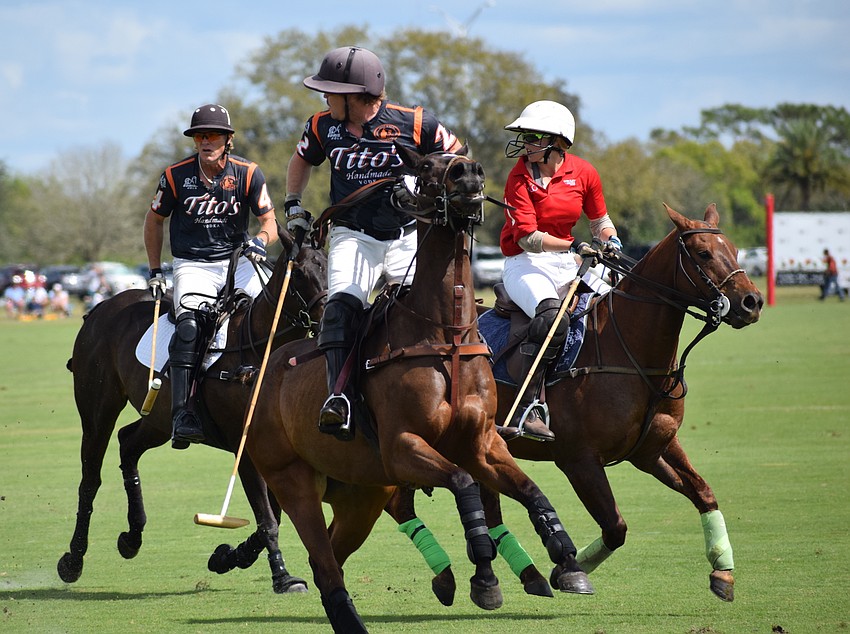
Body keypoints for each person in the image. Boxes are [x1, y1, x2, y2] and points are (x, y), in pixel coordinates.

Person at [284, 46, 463, 438]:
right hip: (353, 235)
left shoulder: (416, 122)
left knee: (435, 313)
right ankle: (339, 398)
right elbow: (302, 160)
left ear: (354, 95)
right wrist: (294, 203)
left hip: (407, 236)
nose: (324, 98)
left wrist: (419, 187)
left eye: (330, 91)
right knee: (339, 308)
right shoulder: (321, 126)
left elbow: (457, 158)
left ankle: (463, 394)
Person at [144, 103, 278, 449]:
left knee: (273, 311)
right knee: (189, 326)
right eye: (200, 135)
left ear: (227, 139)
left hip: (239, 260)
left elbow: (269, 222)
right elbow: (154, 220)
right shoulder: (175, 175)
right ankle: (183, 414)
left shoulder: (248, 173)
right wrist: (156, 269)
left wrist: (261, 242)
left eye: (213, 135)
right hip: (193, 264)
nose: (206, 141)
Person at [498, 100, 621, 442]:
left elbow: (600, 221)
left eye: (533, 137)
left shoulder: (584, 172)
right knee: (551, 315)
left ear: (558, 141)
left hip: (569, 261)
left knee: (619, 307)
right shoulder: (518, 177)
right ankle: (529, 407)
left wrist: (611, 240)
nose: (525, 144)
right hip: (526, 263)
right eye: (525, 136)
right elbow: (526, 237)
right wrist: (572, 246)